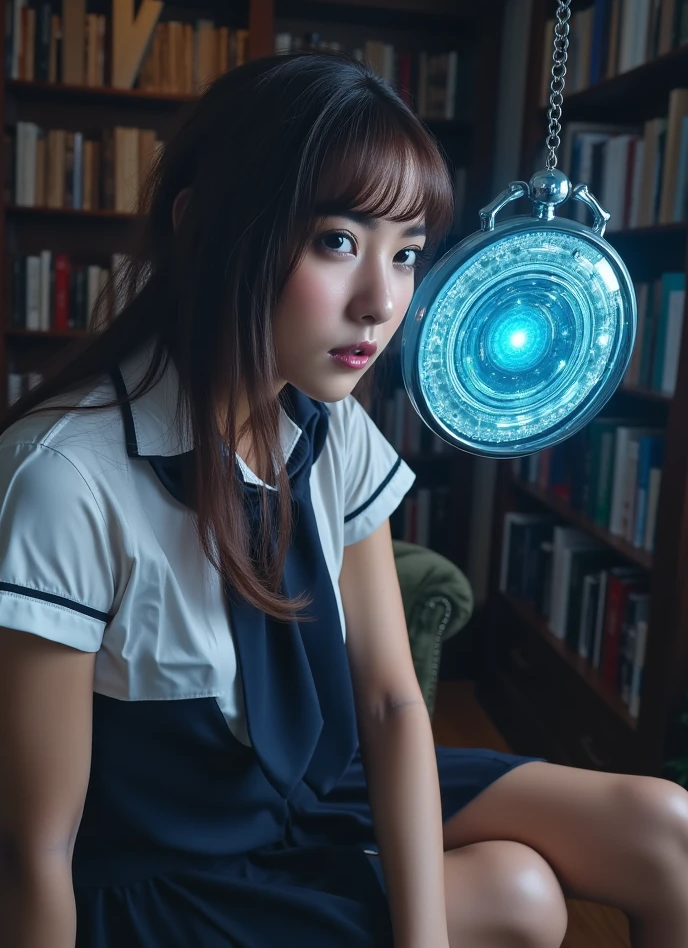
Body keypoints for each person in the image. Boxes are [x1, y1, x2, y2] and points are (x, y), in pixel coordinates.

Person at [0, 49, 687, 948]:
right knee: (520, 895)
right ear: (205, 224)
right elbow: (33, 850)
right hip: (162, 861)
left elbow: (393, 704)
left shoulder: (332, 425)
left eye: (406, 254)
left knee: (667, 828)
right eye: (337, 241)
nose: (381, 300)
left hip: (314, 784)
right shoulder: (64, 475)